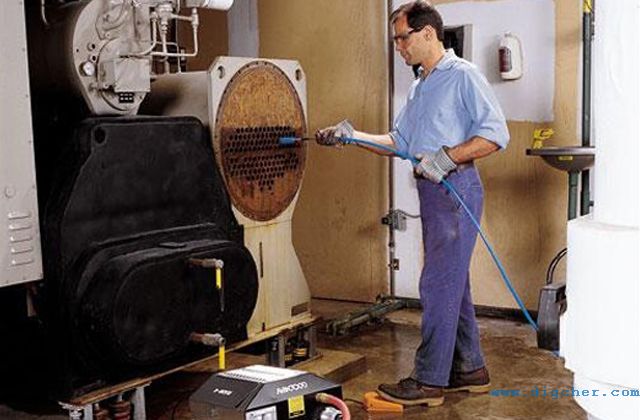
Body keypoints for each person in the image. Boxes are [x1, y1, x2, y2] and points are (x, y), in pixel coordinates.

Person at [315, 0, 509, 407]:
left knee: (437, 283)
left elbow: (495, 135)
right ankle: (469, 369)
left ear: (427, 33)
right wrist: (353, 136)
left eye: (402, 39)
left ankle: (428, 380)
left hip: (456, 190)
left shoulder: (463, 76)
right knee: (453, 281)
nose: (398, 47)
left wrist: (448, 157)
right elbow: (400, 143)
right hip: (432, 192)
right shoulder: (421, 84)